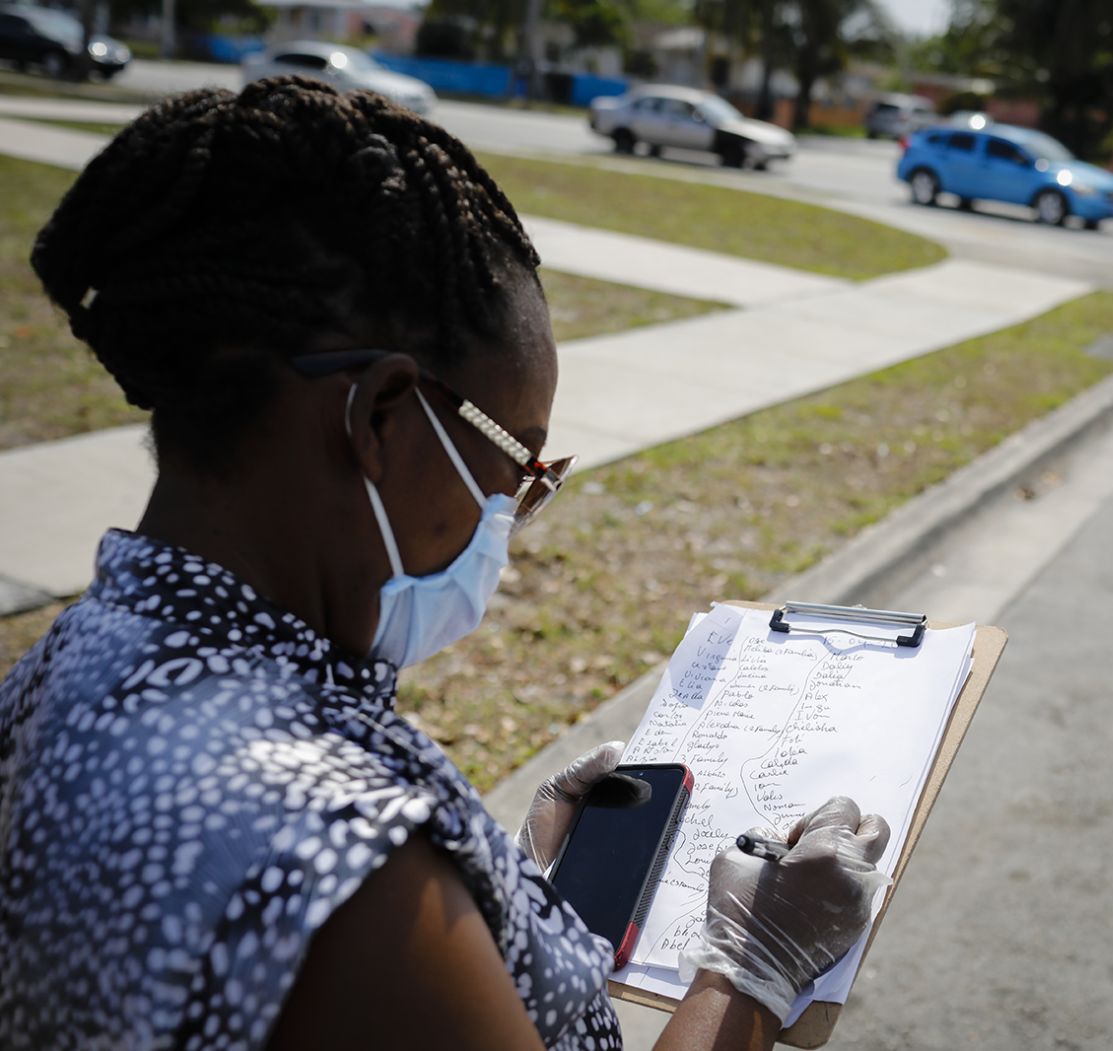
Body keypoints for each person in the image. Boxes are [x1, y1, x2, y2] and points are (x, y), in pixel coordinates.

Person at [0, 77, 890, 1050]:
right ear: (381, 418)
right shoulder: (338, 854)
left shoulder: (63, 668)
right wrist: (754, 969)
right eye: (519, 463)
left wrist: (515, 909)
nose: (515, 510)